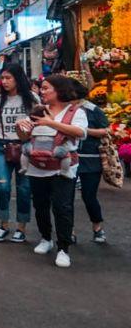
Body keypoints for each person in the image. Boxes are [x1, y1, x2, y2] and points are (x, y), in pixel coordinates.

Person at [16, 74, 88, 268]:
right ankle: (45, 238)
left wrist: (51, 123)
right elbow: (25, 136)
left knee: (62, 207)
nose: (42, 91)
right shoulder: (38, 110)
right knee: (40, 204)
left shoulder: (75, 112)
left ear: (59, 90)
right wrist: (20, 127)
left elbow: (81, 133)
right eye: (42, 88)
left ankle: (63, 247)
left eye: (46, 88)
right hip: (37, 166)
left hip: (63, 167)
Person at [0, 63, 35, 243]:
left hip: (26, 147)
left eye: (8, 78)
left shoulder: (31, 98)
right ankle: (3, 224)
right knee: (2, 186)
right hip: (1, 147)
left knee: (24, 188)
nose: (4, 82)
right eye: (2, 78)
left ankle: (21, 227)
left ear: (18, 79)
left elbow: (41, 121)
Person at [73, 82, 111, 244]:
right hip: (69, 159)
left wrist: (83, 131)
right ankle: (69, 230)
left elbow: (106, 130)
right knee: (65, 198)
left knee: (89, 196)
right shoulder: (63, 109)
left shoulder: (93, 109)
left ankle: (97, 228)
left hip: (91, 159)